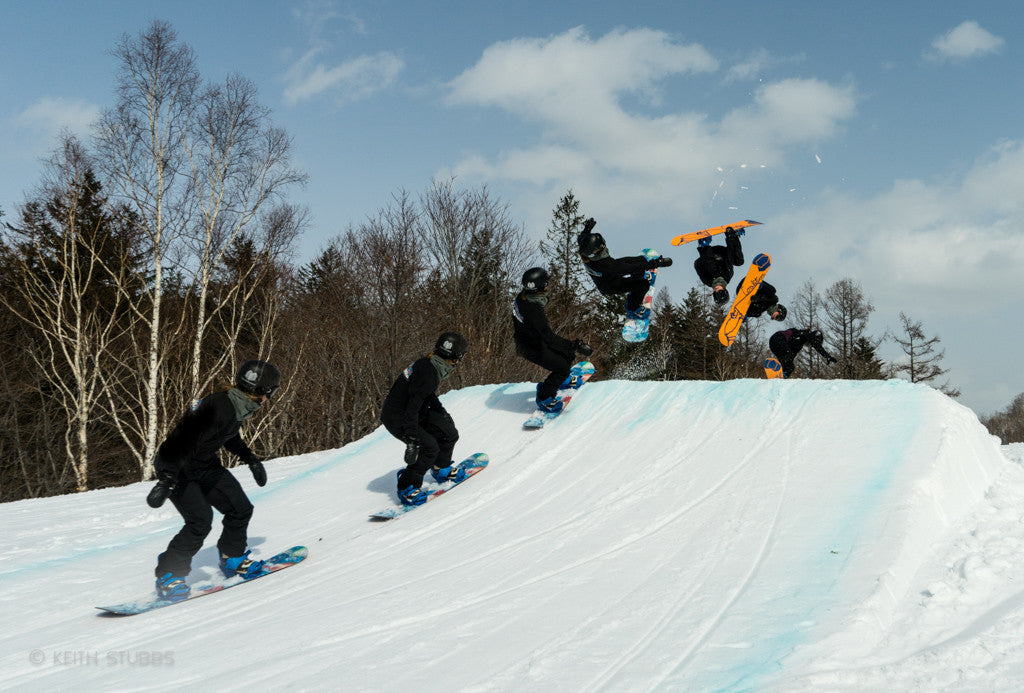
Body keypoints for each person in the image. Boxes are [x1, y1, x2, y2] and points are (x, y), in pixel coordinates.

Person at [147, 359, 281, 602]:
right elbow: (183, 440)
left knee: (240, 508)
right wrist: (167, 480)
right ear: (264, 392)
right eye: (270, 393)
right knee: (200, 521)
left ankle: (233, 558)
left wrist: (250, 458)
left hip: (203, 464)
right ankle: (169, 575)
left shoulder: (235, 405)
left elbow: (227, 436)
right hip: (177, 467)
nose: (268, 400)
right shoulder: (218, 406)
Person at [380, 332, 468, 507]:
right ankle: (407, 487)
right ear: (457, 357)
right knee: (430, 448)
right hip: (397, 417)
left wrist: (441, 412)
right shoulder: (429, 372)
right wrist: (412, 439)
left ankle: (441, 469)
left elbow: (425, 395)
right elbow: (412, 407)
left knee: (449, 433)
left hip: (413, 411)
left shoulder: (430, 365)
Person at [512, 267, 593, 414]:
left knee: (567, 356)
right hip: (532, 347)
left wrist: (569, 349)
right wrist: (575, 345)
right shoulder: (533, 311)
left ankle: (562, 379)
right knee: (561, 367)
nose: (547, 285)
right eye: (546, 283)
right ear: (540, 286)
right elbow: (549, 338)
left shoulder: (522, 297)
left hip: (530, 340)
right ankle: (544, 397)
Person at [577, 217, 673, 320]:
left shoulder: (585, 251)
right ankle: (633, 308)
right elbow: (629, 269)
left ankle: (637, 278)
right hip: (611, 285)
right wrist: (655, 264)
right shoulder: (605, 265)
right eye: (601, 248)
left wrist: (587, 229)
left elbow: (582, 238)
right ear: (595, 253)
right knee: (643, 284)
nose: (604, 247)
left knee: (638, 260)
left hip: (609, 274)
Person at [693, 226, 745, 305]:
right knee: (739, 262)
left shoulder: (707, 280)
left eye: (715, 292)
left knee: (713, 271)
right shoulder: (728, 275)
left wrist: (704, 255)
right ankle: (732, 235)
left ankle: (704, 243)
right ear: (724, 289)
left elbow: (697, 265)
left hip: (708, 253)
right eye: (719, 291)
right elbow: (729, 259)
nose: (716, 289)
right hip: (721, 252)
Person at [768, 328, 837, 378]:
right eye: (811, 344)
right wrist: (827, 356)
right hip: (778, 338)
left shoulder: (798, 344)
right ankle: (777, 365)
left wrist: (785, 366)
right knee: (788, 355)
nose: (810, 345)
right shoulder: (805, 334)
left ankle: (782, 376)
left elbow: (791, 356)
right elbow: (817, 346)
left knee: (790, 366)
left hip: (774, 345)